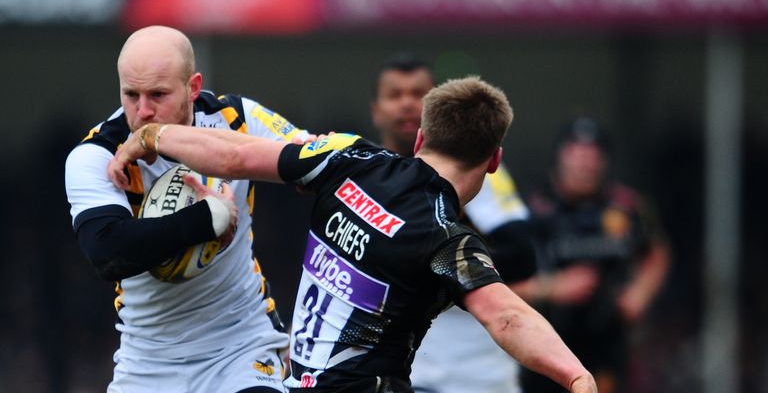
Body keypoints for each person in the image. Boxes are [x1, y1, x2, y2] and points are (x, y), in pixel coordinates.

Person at [108, 76, 598, 393]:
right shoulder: (447, 239)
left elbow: (237, 155)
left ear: (422, 138)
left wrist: (152, 136)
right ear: (493, 161)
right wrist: (576, 377)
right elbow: (507, 317)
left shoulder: (346, 157)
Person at [64, 25, 308, 393]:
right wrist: (208, 219)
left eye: (158, 94)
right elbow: (109, 252)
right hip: (148, 363)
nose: (143, 111)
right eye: (131, 94)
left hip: (240, 349)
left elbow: (319, 162)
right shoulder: (95, 155)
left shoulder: (235, 118)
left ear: (193, 87)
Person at [369, 54, 535, 393]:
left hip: (479, 371)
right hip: (401, 372)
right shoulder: (364, 174)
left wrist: (444, 247)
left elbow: (522, 257)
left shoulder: (480, 171)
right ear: (376, 110)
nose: (406, 104)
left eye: (418, 94)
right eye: (394, 94)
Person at [512, 117, 671, 393]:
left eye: (593, 155)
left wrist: (640, 293)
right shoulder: (530, 210)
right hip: (544, 345)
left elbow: (657, 251)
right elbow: (496, 283)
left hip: (607, 344)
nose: (585, 163)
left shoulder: (627, 207)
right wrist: (552, 287)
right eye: (576, 154)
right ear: (559, 158)